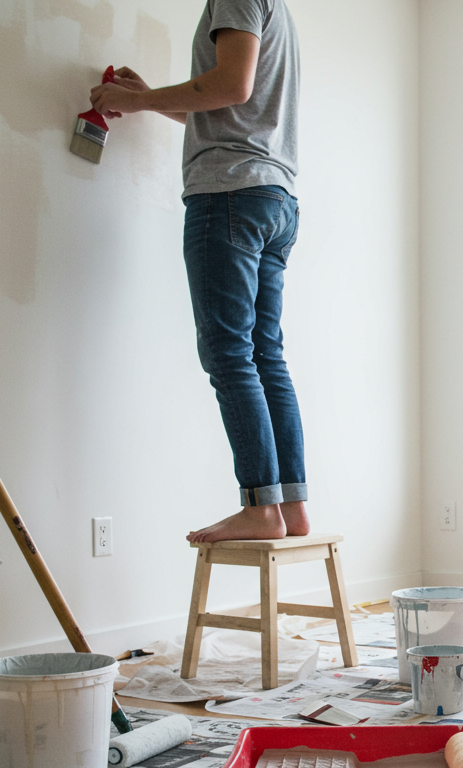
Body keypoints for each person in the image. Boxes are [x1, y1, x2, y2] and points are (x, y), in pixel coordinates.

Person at [90, 0, 309, 543]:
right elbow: (230, 107)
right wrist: (147, 101)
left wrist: (138, 100)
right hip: (273, 197)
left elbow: (230, 85)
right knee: (263, 354)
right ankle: (291, 506)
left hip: (229, 194)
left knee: (229, 353)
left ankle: (262, 508)